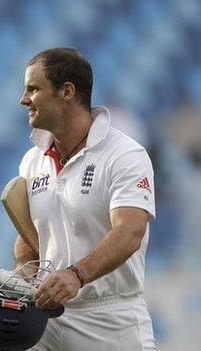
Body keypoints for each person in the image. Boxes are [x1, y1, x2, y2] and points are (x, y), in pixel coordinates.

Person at [15, 47, 156, 350]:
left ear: (66, 91)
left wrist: (76, 275)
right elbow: (29, 238)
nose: (23, 99)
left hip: (110, 320)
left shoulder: (125, 154)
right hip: (46, 321)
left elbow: (130, 231)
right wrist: (25, 275)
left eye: (33, 88)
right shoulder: (31, 161)